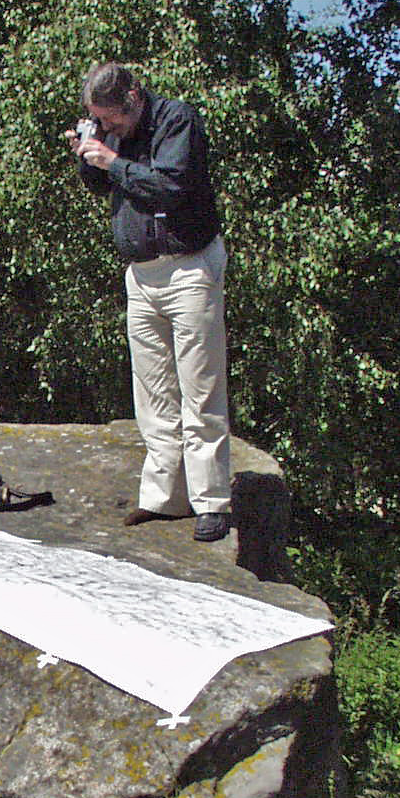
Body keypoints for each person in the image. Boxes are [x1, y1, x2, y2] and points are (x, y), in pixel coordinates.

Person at [68, 62, 232, 541]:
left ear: (134, 97)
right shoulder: (112, 132)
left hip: (189, 266)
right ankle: (165, 498)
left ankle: (211, 501)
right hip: (141, 274)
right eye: (98, 121)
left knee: (200, 387)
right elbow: (101, 185)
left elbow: (171, 188)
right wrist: (87, 154)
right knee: (154, 390)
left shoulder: (176, 121)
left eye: (111, 119)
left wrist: (111, 160)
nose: (108, 128)